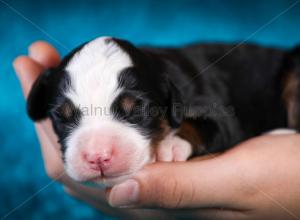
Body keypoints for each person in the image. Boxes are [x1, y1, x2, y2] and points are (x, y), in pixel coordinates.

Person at [13, 41, 300, 220]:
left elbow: (222, 123)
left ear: (167, 99)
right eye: (67, 119)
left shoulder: (176, 85)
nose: (97, 153)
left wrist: (187, 136)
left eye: (134, 111)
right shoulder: (150, 81)